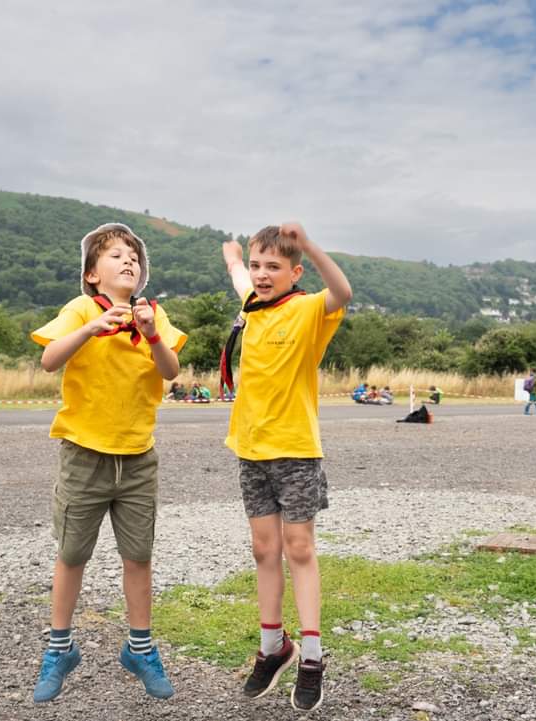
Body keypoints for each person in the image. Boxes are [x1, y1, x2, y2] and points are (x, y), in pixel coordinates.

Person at [29, 222, 186, 704]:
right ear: (93, 274)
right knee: (72, 554)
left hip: (138, 457)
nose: (128, 261)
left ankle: (140, 647)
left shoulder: (152, 313)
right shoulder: (79, 309)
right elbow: (49, 360)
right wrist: (90, 328)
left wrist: (150, 335)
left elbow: (170, 371)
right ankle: (60, 647)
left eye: (134, 256)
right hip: (85, 454)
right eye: (116, 254)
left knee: (138, 556)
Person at [220, 221, 351, 711]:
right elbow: (239, 276)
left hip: (295, 448)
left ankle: (312, 657)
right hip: (251, 448)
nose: (261, 274)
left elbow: (342, 290)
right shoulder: (252, 304)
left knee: (299, 547)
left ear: (295, 272)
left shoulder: (308, 308)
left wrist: (310, 244)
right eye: (258, 266)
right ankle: (274, 646)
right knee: (263, 548)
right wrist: (234, 257)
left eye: (273, 267)